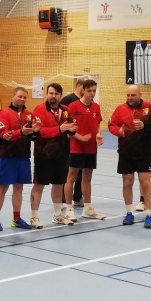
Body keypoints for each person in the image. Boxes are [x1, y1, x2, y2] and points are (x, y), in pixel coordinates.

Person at [108, 85, 151, 228]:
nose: (130, 98)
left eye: (133, 95)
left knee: (145, 182)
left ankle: (149, 215)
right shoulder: (120, 109)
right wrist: (119, 131)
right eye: (128, 95)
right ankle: (129, 213)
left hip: (144, 152)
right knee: (127, 182)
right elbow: (111, 125)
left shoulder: (149, 107)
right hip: (126, 152)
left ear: (140, 94)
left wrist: (145, 125)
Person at [0, 86, 40, 230]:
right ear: (13, 96)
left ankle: (16, 219)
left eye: (24, 97)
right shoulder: (4, 114)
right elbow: (4, 134)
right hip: (8, 155)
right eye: (19, 96)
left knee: (19, 188)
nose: (22, 99)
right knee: (3, 187)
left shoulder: (29, 115)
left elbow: (33, 136)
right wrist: (22, 132)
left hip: (23, 156)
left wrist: (36, 132)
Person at [30, 83, 78, 227]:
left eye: (56, 94)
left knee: (58, 185)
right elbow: (40, 131)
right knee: (39, 185)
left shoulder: (66, 110)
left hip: (62, 154)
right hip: (43, 155)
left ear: (60, 96)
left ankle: (57, 215)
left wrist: (72, 129)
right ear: (47, 94)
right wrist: (60, 129)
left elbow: (71, 126)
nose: (53, 96)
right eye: (51, 93)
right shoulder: (39, 110)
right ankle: (34, 217)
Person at [63, 79, 107, 222]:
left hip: (91, 148)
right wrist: (80, 137)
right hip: (76, 148)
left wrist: (98, 134)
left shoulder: (96, 107)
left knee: (87, 178)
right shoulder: (73, 106)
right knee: (71, 178)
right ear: (83, 90)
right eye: (89, 91)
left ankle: (87, 208)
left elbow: (97, 124)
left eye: (94, 91)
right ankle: (69, 209)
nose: (92, 93)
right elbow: (68, 128)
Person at [60, 78, 86, 208]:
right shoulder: (68, 100)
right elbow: (62, 119)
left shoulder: (87, 101)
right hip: (69, 142)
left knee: (81, 170)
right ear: (79, 85)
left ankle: (78, 196)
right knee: (69, 170)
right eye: (85, 87)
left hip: (82, 142)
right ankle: (63, 196)